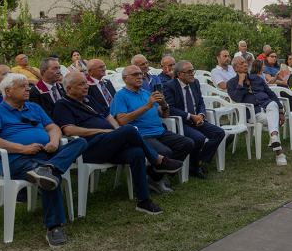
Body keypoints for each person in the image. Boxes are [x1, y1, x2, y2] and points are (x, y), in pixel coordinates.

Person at [52, 71, 184, 215]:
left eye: (86, 83)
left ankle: (144, 201)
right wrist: (103, 132)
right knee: (128, 129)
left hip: (109, 145)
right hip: (90, 148)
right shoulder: (62, 105)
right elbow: (69, 130)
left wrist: (116, 131)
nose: (87, 86)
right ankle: (158, 160)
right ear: (69, 89)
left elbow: (108, 116)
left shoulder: (89, 99)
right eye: (81, 84)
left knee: (137, 152)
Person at [0, 72, 87, 247]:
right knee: (49, 179)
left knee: (80, 142)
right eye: (22, 86)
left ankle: (50, 167)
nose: (28, 89)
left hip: (45, 153)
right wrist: (23, 148)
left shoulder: (34, 107)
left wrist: (53, 141)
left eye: (28, 85)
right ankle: (54, 227)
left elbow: (53, 127)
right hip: (17, 159)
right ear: (8, 91)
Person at [110, 65, 194, 194]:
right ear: (125, 78)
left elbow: (164, 115)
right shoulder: (121, 96)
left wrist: (164, 104)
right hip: (142, 135)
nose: (140, 76)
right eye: (135, 74)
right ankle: (158, 177)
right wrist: (148, 105)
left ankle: (154, 175)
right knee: (165, 152)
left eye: (140, 74)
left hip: (160, 131)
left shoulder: (146, 93)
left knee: (187, 143)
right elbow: (121, 121)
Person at [162, 60, 225, 178]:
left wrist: (201, 115)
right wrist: (191, 116)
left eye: (193, 71)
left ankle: (200, 161)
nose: (192, 74)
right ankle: (195, 167)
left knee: (219, 133)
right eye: (189, 72)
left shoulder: (195, 82)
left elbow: (200, 102)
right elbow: (171, 109)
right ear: (179, 74)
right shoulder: (169, 86)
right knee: (199, 138)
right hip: (181, 122)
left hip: (197, 119)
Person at [227, 56, 287, 165]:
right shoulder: (231, 83)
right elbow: (237, 99)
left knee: (273, 104)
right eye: (241, 63)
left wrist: (281, 111)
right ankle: (278, 151)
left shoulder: (257, 78)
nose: (245, 64)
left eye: (245, 62)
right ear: (235, 68)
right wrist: (241, 82)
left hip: (268, 107)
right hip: (254, 112)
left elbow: (271, 94)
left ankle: (274, 140)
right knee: (273, 119)